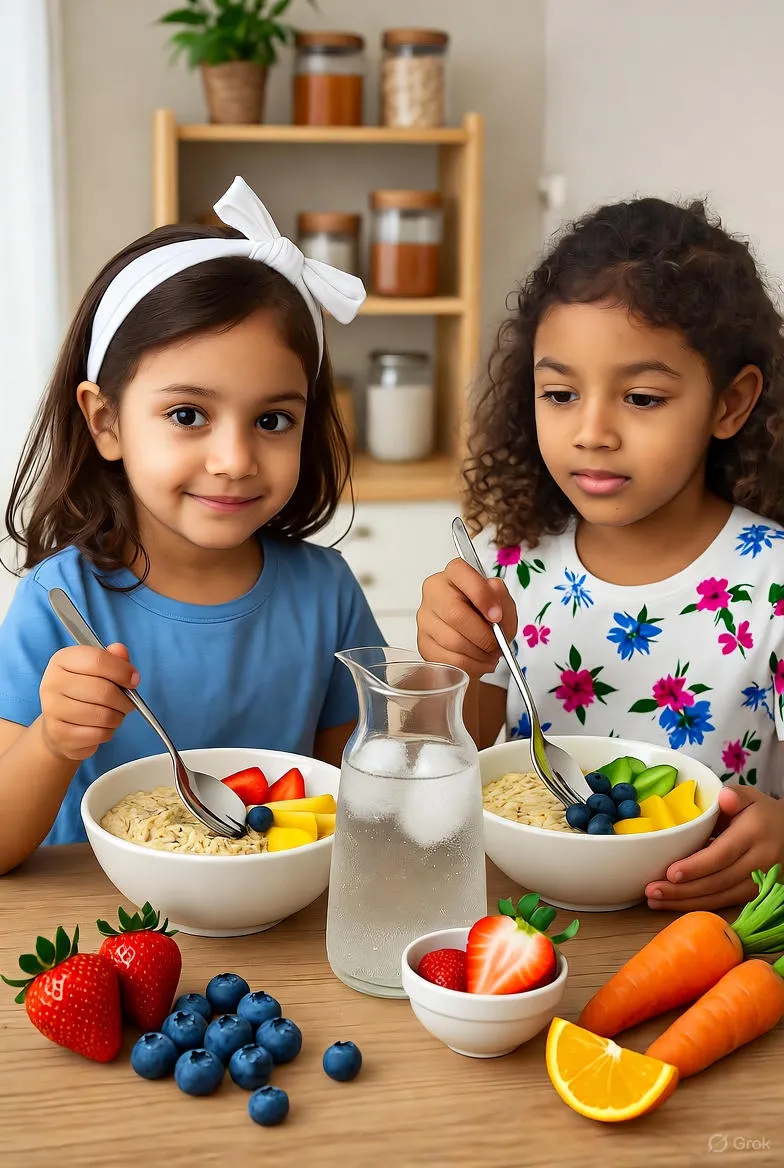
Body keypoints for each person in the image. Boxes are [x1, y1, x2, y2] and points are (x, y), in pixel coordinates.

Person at [0, 177, 383, 872]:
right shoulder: (59, 602)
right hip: (106, 932)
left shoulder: (326, 594)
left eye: (273, 420)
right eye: (187, 415)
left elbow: (361, 807)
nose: (234, 461)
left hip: (281, 925)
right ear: (106, 422)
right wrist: (53, 741)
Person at [417, 196, 784, 912]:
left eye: (642, 398)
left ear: (730, 404)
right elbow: (455, 775)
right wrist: (449, 672)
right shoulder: (509, 560)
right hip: (524, 917)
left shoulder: (772, 582)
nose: (592, 432)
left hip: (709, 933)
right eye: (559, 393)